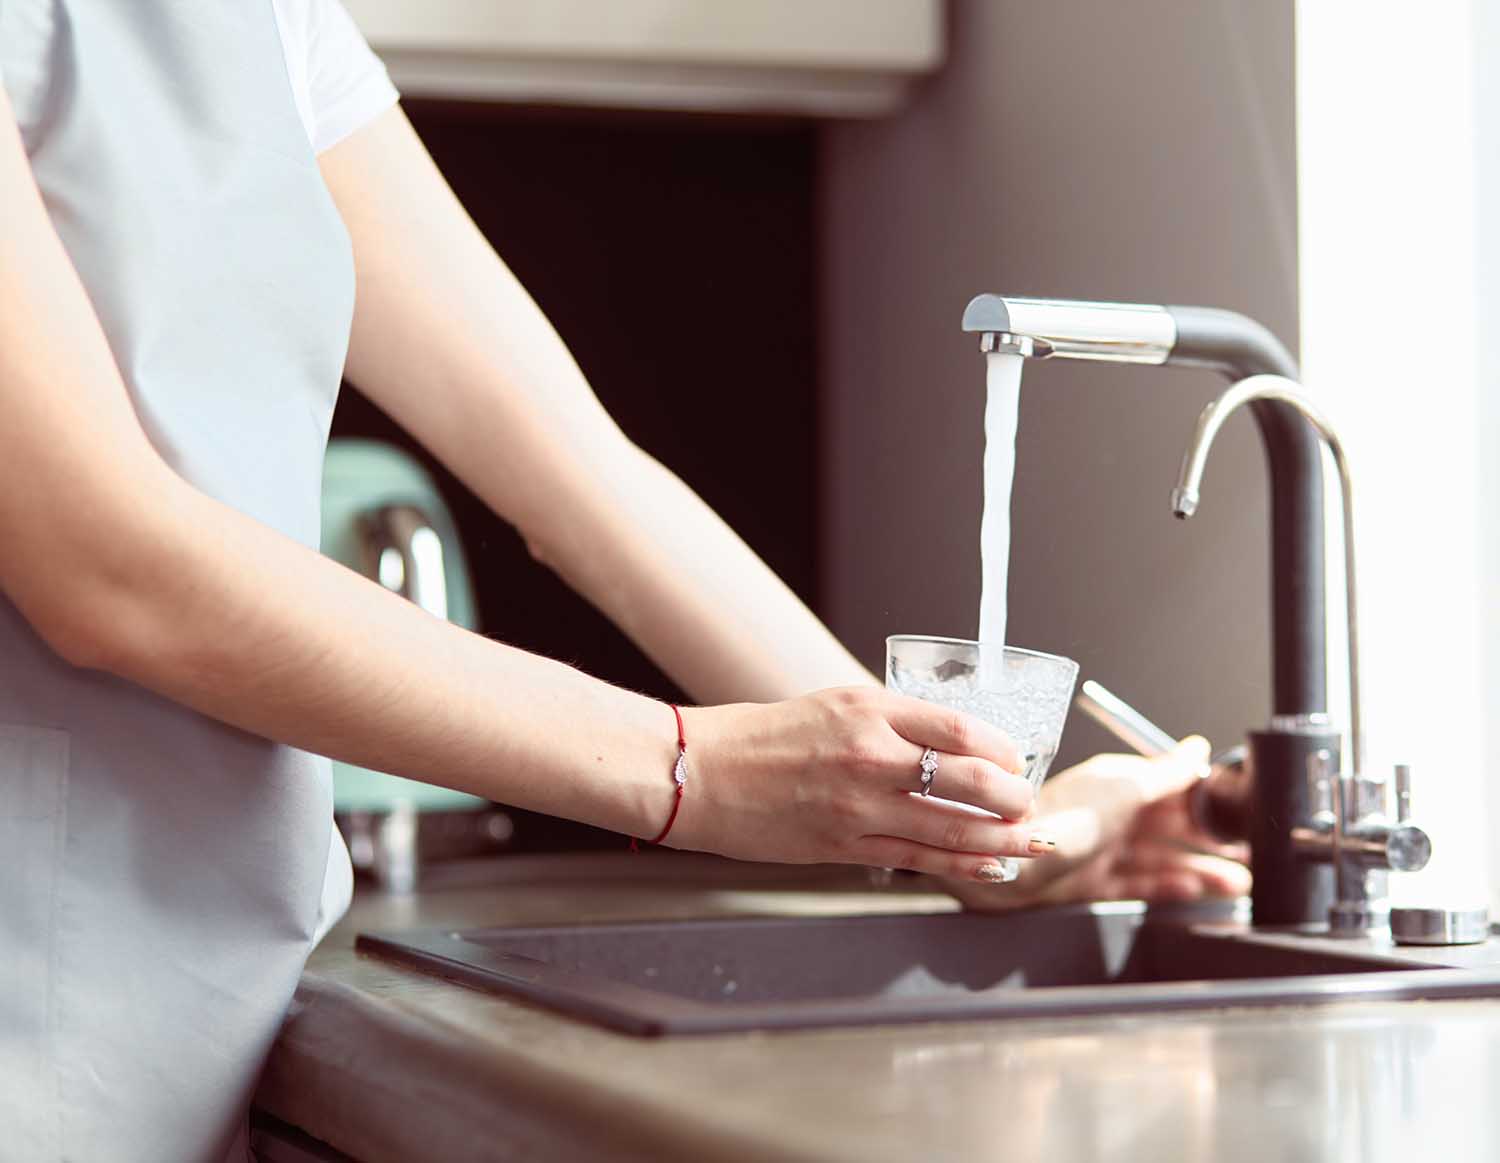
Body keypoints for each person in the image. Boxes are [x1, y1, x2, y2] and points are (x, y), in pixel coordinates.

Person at [0, 2, 1248, 1158]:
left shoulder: (267, 20)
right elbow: (106, 559)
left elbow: (583, 477)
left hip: (190, 1028)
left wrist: (965, 818)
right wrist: (689, 767)